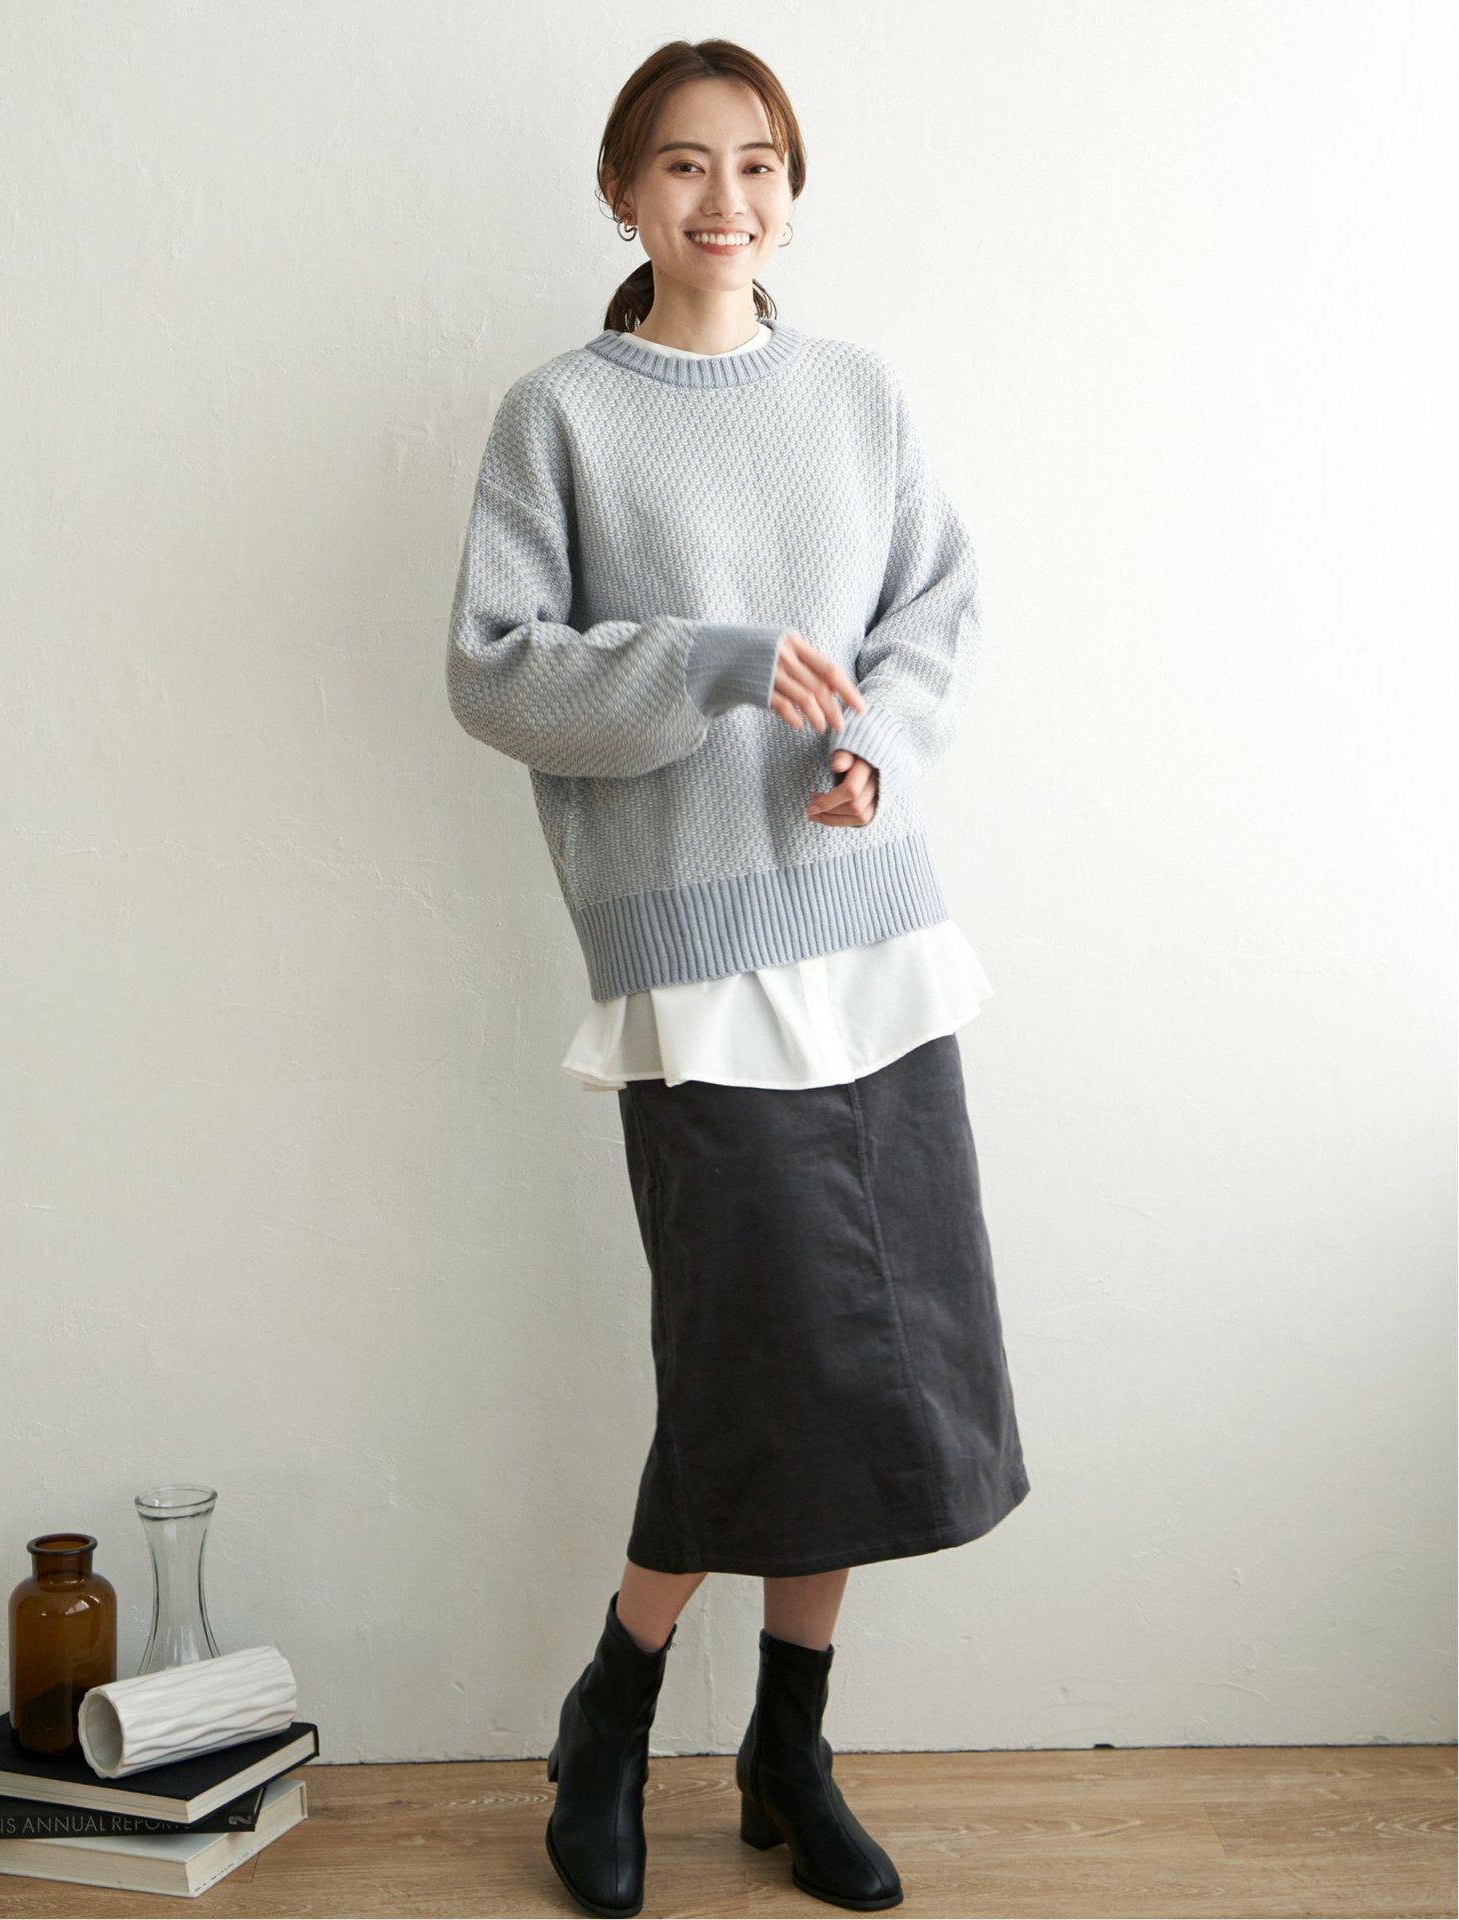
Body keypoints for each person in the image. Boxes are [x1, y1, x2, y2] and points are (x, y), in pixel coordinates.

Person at [445, 37, 1030, 1918]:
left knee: (865, 1368)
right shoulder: (562, 417)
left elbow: (935, 609)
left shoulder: (856, 396)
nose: (727, 200)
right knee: (748, 1366)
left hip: (876, 943)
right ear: (624, 191)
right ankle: (614, 1710)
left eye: (760, 162)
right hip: (695, 969)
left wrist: (883, 750)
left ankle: (790, 1743)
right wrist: (710, 661)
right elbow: (496, 673)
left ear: (791, 187)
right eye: (687, 165)